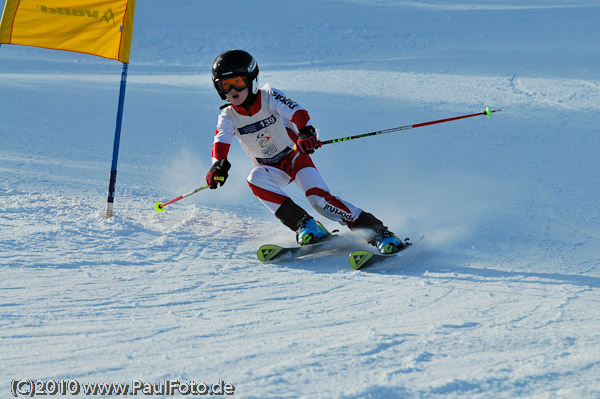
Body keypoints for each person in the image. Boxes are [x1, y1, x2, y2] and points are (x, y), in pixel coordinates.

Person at [206, 49, 408, 254]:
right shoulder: (228, 116)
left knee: (319, 201)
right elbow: (221, 141)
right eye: (225, 84)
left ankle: (380, 233)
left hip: (295, 157)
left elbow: (297, 112)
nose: (232, 90)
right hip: (270, 167)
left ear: (251, 80)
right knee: (255, 178)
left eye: (238, 82)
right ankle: (305, 225)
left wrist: (306, 133)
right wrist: (218, 165)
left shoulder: (269, 97)